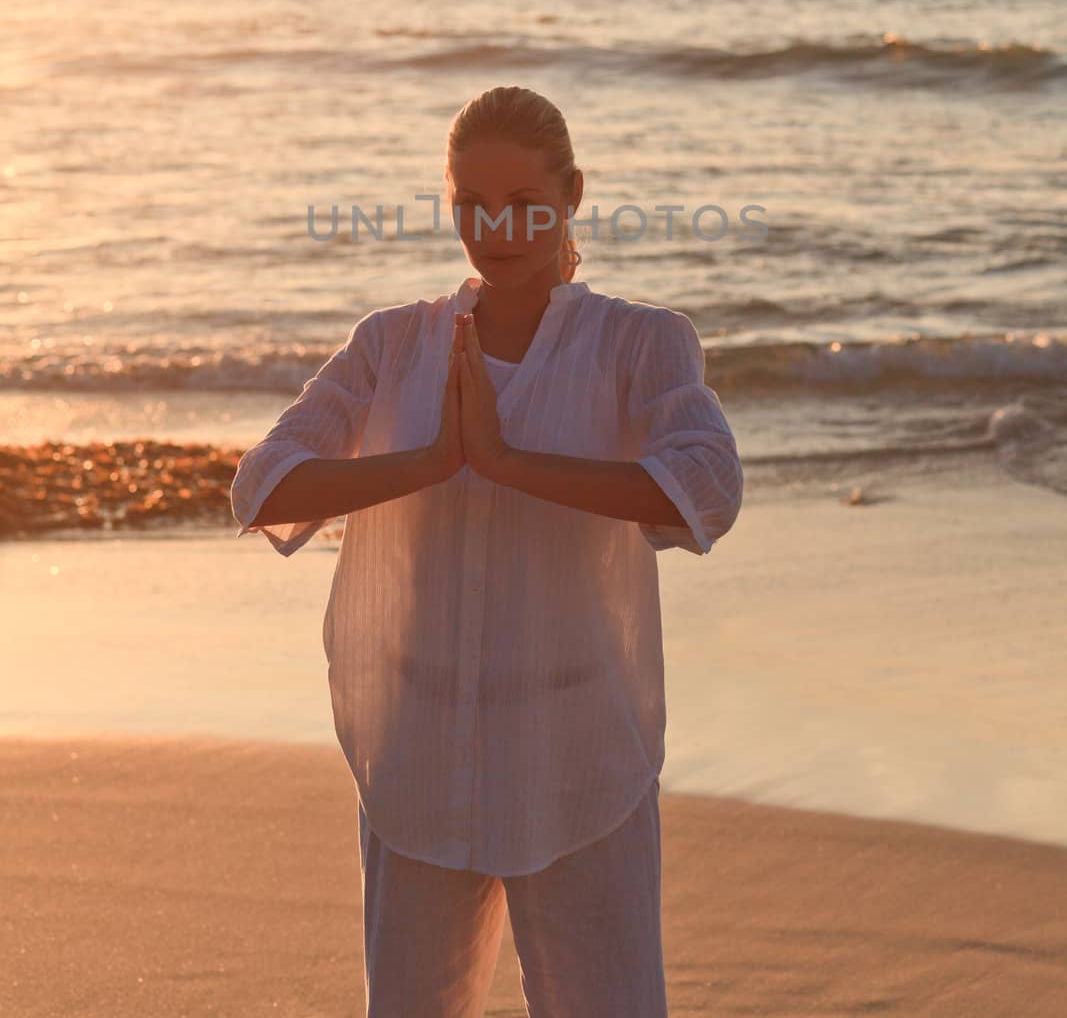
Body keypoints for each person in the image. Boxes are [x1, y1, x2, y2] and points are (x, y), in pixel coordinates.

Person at [230, 84, 744, 1017]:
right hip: (421, 752)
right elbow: (263, 486)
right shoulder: (393, 343)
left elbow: (705, 486)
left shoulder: (640, 343)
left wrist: (505, 462)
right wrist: (431, 460)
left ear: (572, 194)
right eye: (471, 204)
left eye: (522, 204)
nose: (495, 227)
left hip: (578, 750)